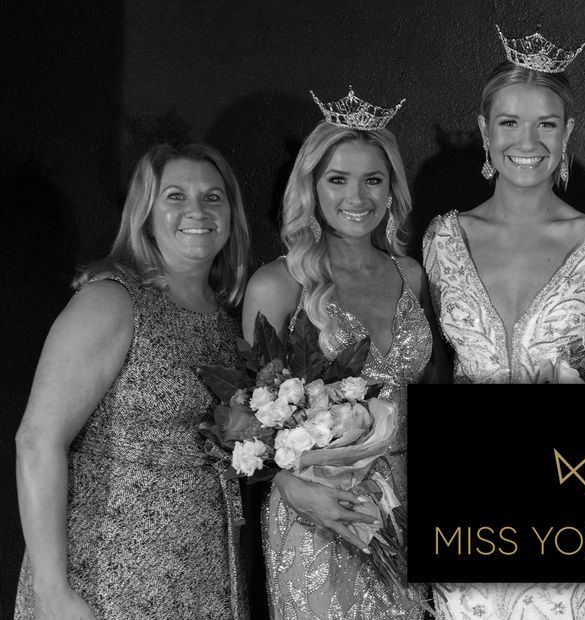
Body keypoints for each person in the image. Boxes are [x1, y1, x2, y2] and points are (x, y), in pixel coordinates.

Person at [421, 27, 585, 620]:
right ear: (486, 132)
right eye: (510, 122)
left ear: (568, 135)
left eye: (547, 123)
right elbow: (432, 367)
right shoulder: (445, 238)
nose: (528, 140)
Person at [14, 143, 252, 619]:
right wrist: (51, 592)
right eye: (175, 196)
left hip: (207, 578)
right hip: (109, 575)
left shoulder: (229, 323)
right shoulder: (113, 301)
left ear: (231, 214)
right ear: (145, 213)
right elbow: (37, 442)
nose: (196, 211)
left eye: (212, 197)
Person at [242, 88, 438, 618]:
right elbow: (249, 420)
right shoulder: (278, 284)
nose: (358, 197)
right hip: (321, 507)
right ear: (312, 187)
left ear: (392, 188)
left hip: (407, 500)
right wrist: (291, 488)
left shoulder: (412, 276)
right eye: (338, 179)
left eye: (373, 179)